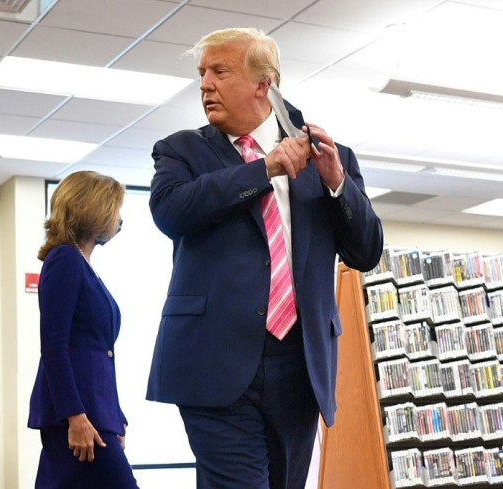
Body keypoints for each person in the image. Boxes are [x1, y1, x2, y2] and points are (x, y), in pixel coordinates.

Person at [145, 28, 384, 489]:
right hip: (213, 364)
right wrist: (264, 168)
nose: (204, 85)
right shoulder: (182, 150)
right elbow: (171, 212)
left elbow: (367, 251)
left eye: (219, 71)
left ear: (264, 85)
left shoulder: (329, 155)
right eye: (202, 74)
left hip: (300, 366)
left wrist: (338, 185)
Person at [28, 171, 139, 489]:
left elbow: (98, 353)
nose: (118, 219)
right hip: (78, 414)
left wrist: (115, 416)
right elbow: (54, 347)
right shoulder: (65, 260)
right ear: (95, 209)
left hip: (95, 411)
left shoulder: (80, 263)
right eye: (115, 209)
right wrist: (75, 416)